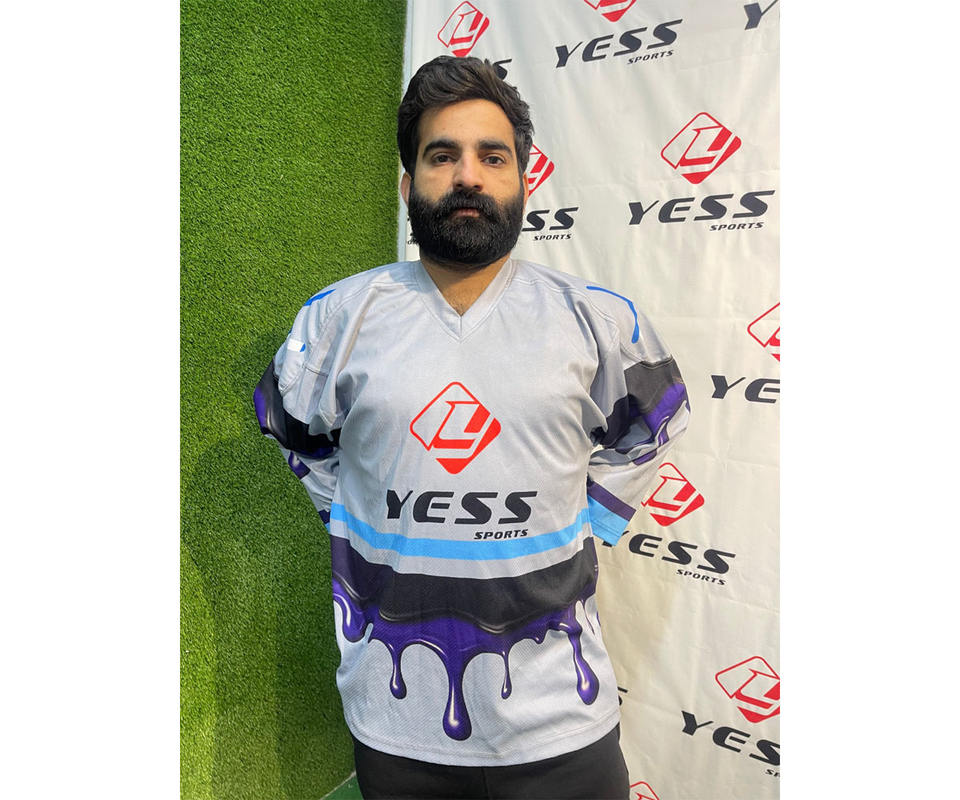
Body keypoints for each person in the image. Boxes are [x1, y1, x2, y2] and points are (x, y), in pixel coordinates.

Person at [254, 55, 690, 800]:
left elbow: (653, 421)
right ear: (408, 184)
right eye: (441, 156)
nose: (468, 176)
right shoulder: (336, 320)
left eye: (493, 156)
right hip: (396, 716)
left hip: (562, 718)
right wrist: (354, 510)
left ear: (523, 180)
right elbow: (293, 430)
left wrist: (588, 519)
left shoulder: (596, 321)